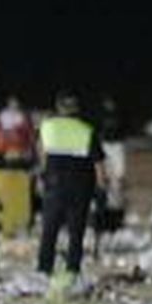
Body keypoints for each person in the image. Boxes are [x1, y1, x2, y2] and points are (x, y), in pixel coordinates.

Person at [35, 92, 104, 292]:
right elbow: (99, 164)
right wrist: (101, 189)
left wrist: (44, 178)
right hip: (80, 187)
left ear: (58, 108)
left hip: (55, 186)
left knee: (49, 230)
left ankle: (43, 269)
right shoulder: (87, 130)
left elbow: (42, 156)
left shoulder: (47, 127)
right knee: (76, 233)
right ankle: (72, 270)